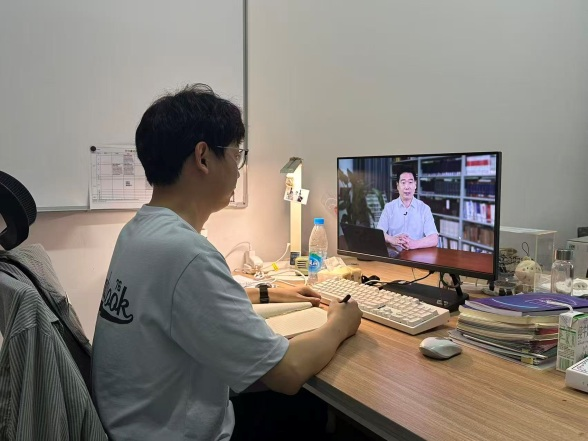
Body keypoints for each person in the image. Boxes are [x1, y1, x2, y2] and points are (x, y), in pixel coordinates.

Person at [91, 84, 362, 441]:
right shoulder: (186, 253)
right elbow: (287, 372)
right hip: (174, 433)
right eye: (236, 155)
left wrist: (268, 293)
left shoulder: (139, 232)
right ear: (203, 157)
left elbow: (175, 303)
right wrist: (342, 322)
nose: (238, 170)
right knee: (313, 409)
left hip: (134, 424)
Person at [377, 167, 439, 250]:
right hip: (394, 254)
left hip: (417, 254)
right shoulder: (389, 208)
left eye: (410, 182)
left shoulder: (424, 209)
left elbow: (434, 239)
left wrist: (414, 244)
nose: (407, 187)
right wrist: (392, 239)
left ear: (415, 185)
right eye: (403, 182)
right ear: (397, 186)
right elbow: (379, 233)